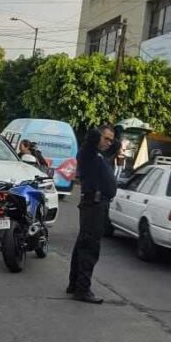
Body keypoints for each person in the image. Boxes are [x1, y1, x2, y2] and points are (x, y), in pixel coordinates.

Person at [67, 124, 118, 304]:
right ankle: (83, 289)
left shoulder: (101, 155)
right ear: (97, 138)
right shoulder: (88, 153)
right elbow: (91, 138)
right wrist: (96, 133)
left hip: (97, 204)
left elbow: (116, 146)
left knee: (83, 244)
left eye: (111, 140)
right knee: (90, 248)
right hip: (93, 204)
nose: (109, 143)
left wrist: (113, 135)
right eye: (106, 138)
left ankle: (75, 284)